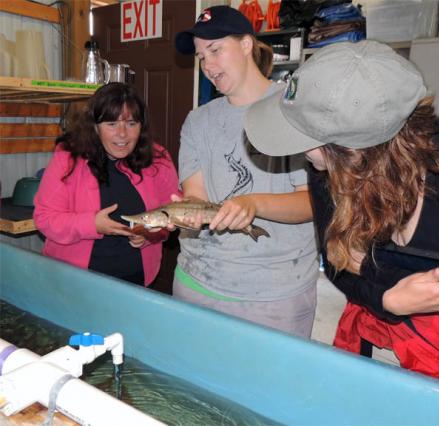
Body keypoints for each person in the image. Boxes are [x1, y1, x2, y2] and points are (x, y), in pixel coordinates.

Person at [244, 40, 439, 395]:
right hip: (379, 336)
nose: (298, 152)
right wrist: (390, 300)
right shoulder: (326, 166)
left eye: (304, 137)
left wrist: (370, 271)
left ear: (355, 150)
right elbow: (335, 265)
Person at [172, 6, 319, 337]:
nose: (208, 65)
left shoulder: (292, 111)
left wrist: (253, 204)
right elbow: (196, 195)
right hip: (195, 283)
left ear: (246, 44)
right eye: (200, 56)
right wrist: (187, 211)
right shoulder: (197, 121)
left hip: (272, 297)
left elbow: (313, 203)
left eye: (215, 49)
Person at [34, 83, 180, 287]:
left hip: (137, 281)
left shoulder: (158, 159)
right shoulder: (68, 158)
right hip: (75, 282)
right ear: (95, 127)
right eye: (111, 124)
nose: (122, 134)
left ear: (141, 126)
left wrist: (149, 234)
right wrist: (92, 224)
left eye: (131, 123)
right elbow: (44, 218)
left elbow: (171, 214)